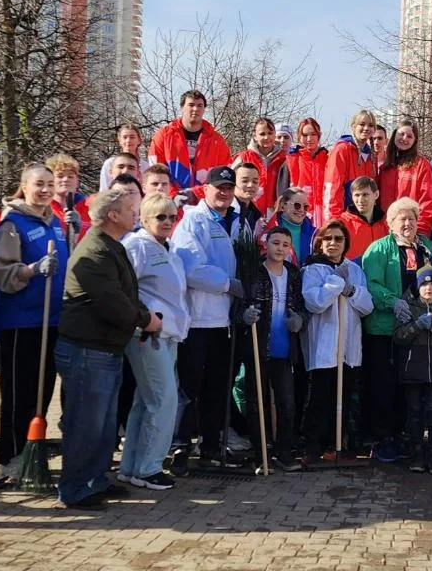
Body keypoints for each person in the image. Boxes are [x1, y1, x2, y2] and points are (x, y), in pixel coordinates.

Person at [54, 188, 158, 509]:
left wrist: (141, 317)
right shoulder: (94, 253)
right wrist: (146, 320)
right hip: (87, 351)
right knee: (85, 423)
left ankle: (96, 480)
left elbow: (126, 292)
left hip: (105, 349)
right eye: (130, 208)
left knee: (103, 425)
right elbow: (113, 303)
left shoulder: (112, 248)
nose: (135, 214)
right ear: (112, 215)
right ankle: (74, 487)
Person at [0, 163, 68, 472]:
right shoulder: (13, 224)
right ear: (24, 186)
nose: (46, 190)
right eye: (39, 184)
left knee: (42, 391)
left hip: (51, 320)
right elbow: (3, 274)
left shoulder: (55, 223)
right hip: (21, 322)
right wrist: (32, 270)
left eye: (50, 184)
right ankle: (10, 456)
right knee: (18, 393)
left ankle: (31, 451)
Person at [361, 198, 432, 460]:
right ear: (391, 223)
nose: (408, 223)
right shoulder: (378, 250)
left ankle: (405, 437)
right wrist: (392, 300)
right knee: (383, 386)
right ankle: (381, 437)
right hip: (385, 329)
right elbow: (371, 284)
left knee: (406, 387)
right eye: (402, 219)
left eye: (412, 218)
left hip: (417, 332)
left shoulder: (427, 251)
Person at [170, 166, 241, 474]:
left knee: (217, 388)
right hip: (197, 320)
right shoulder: (193, 222)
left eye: (228, 187)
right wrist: (229, 283)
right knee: (188, 388)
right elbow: (192, 268)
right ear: (206, 189)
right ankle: (179, 446)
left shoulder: (236, 221)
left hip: (224, 321)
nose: (223, 192)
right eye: (218, 187)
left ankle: (211, 446)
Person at [119, 193, 189, 491]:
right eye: (161, 217)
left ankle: (132, 466)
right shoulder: (136, 246)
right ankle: (149, 468)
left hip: (168, 335)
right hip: (148, 334)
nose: (168, 222)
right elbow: (124, 288)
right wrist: (145, 318)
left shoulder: (167, 248)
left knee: (146, 401)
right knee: (164, 400)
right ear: (144, 218)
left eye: (172, 217)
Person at [302, 221, 373, 461]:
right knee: (319, 398)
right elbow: (315, 302)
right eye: (328, 238)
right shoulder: (312, 270)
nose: (333, 243)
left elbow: (367, 306)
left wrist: (351, 290)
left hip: (347, 346)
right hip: (323, 345)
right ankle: (313, 445)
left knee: (341, 399)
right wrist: (336, 284)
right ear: (320, 242)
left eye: (339, 239)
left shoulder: (354, 270)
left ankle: (337, 444)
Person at [245, 226, 308, 469]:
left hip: (284, 349)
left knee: (287, 403)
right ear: (266, 244)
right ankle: (260, 452)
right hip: (258, 346)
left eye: (284, 244)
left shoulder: (293, 274)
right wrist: (245, 316)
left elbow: (301, 306)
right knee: (256, 402)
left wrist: (299, 320)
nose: (280, 248)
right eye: (275, 243)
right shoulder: (254, 272)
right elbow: (241, 305)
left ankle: (284, 452)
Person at [393, 266, 432, 474]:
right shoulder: (409, 308)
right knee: (414, 413)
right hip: (412, 370)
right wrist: (416, 326)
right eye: (424, 284)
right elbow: (399, 337)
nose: (428, 288)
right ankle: (417, 454)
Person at [148, 90, 232, 199]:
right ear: (182, 107)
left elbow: (223, 175)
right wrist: (173, 195)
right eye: (191, 105)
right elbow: (155, 171)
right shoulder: (164, 135)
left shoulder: (217, 140)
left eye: (200, 106)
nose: (195, 109)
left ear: (204, 109)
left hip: (205, 202)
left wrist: (196, 194)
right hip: (169, 202)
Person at [378, 120, 432, 236]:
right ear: (394, 134)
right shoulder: (385, 167)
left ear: (414, 141)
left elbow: (428, 201)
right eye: (401, 134)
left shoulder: (421, 165)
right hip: (386, 232)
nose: (404, 138)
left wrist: (421, 230)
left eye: (409, 136)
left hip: (411, 231)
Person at [324, 109, 379, 221]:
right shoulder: (342, 150)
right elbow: (333, 187)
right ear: (353, 126)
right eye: (362, 124)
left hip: (364, 218)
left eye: (370, 125)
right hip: (345, 217)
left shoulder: (371, 156)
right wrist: (334, 219)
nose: (366, 128)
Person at [232, 117, 290, 215]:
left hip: (275, 213)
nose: (266, 137)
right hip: (248, 211)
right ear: (255, 136)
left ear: (275, 134)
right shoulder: (244, 157)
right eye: (262, 134)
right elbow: (230, 181)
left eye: (270, 133)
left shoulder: (284, 159)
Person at [286, 117, 328, 227]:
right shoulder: (293, 158)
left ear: (319, 135)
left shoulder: (328, 158)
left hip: (323, 210)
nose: (309, 139)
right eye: (305, 135)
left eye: (313, 134)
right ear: (299, 137)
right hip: (300, 210)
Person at [339, 176, 386, 260]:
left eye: (365, 194)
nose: (360, 200)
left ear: (376, 195)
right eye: (357, 195)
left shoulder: (385, 223)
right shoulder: (342, 223)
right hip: (352, 271)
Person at [266, 188, 315, 265]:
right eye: (297, 205)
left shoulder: (314, 234)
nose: (302, 210)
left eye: (305, 207)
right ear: (283, 206)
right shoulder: (268, 230)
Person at [47, 153, 90, 244]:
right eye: (60, 176)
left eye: (70, 176)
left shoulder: (89, 209)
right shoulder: (45, 209)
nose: (66, 179)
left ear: (77, 181)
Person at [100, 124, 145, 190]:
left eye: (132, 137)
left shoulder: (146, 166)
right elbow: (104, 190)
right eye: (125, 137)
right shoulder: (109, 163)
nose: (128, 140)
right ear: (119, 140)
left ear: (139, 140)